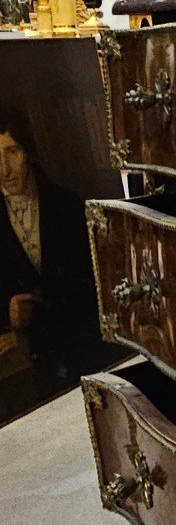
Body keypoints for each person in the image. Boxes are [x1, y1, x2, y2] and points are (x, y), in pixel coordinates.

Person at [0, 120, 95, 371]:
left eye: (12, 152)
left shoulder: (66, 203)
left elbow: (89, 280)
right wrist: (7, 308)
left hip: (84, 343)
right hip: (36, 357)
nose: (4, 170)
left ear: (28, 153)